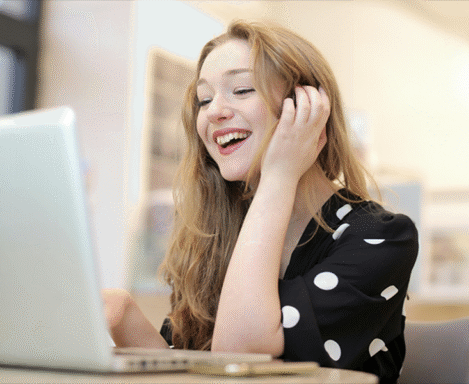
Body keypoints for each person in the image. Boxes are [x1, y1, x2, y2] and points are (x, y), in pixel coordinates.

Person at [104, 20, 418, 383]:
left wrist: (280, 175)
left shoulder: (381, 236)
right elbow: (193, 373)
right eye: (204, 99)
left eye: (241, 89)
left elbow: (239, 355)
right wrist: (123, 316)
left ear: (305, 107)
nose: (214, 111)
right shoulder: (217, 233)